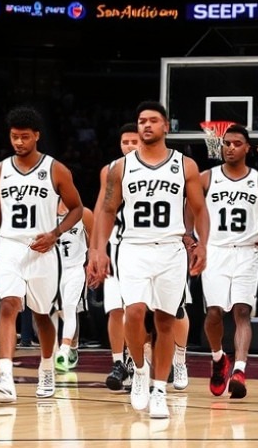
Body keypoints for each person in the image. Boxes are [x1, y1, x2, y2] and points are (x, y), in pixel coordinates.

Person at [87, 101, 208, 420]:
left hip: (171, 249)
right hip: (133, 248)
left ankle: (159, 389)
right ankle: (139, 370)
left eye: (153, 120)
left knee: (166, 321)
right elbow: (108, 211)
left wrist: (203, 244)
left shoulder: (185, 165)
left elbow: (200, 209)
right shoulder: (121, 167)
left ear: (166, 126)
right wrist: (98, 250)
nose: (147, 125)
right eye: (141, 121)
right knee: (135, 312)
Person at [0, 106, 83, 403]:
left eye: (25, 137)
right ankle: (6, 376)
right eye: (14, 137)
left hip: (42, 248)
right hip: (9, 245)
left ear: (37, 136)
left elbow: (76, 208)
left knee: (41, 314)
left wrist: (55, 233)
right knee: (9, 305)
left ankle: (47, 365)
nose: (19, 142)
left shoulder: (56, 169)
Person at [198, 124, 258, 399]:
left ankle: (239, 370)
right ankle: (218, 359)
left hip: (246, 251)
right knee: (214, 313)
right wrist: (193, 241)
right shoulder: (208, 178)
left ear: (247, 148)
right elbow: (191, 206)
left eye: (236, 143)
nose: (230, 147)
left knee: (242, 311)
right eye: (226, 143)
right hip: (215, 250)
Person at [94, 123, 140, 391]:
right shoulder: (110, 170)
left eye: (134, 142)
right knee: (114, 308)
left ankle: (137, 362)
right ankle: (118, 362)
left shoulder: (156, 168)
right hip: (116, 244)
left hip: (143, 246)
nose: (129, 146)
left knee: (138, 311)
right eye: (125, 142)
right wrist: (96, 250)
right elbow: (101, 210)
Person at [54, 200, 94, 373]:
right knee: (57, 312)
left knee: (70, 309)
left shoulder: (83, 213)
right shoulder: (45, 213)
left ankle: (64, 350)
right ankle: (73, 345)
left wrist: (92, 262)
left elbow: (93, 240)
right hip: (53, 270)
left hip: (75, 269)